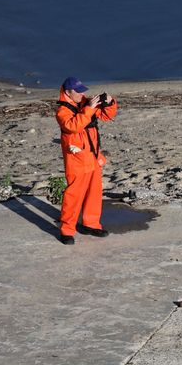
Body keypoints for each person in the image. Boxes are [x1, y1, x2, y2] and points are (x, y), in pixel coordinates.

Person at [54, 76, 118, 245]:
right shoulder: (62, 111)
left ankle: (90, 224)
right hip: (76, 161)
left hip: (93, 157)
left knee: (94, 194)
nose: (82, 94)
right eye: (78, 91)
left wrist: (110, 103)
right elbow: (73, 126)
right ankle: (67, 230)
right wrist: (89, 109)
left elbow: (106, 116)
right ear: (68, 92)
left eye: (83, 91)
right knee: (73, 196)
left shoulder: (85, 103)